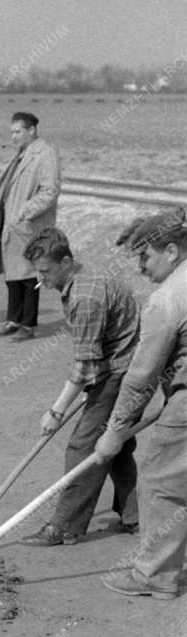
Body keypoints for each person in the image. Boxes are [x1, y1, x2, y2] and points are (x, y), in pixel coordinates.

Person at [18, 227, 140, 547]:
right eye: (37, 271)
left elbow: (85, 366)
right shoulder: (82, 277)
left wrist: (55, 411)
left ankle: (65, 526)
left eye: (45, 271)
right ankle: (136, 514)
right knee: (118, 442)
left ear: (66, 261)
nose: (40, 280)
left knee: (83, 446)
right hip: (115, 365)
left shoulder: (85, 297)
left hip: (119, 372)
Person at [94, 210, 187, 599]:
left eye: (145, 257)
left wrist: (113, 433)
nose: (141, 268)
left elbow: (140, 377)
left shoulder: (166, 299)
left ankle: (156, 576)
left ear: (170, 250)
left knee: (159, 484)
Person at [0, 111, 61, 341]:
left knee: (30, 276)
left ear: (32, 130)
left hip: (29, 226)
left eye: (18, 131)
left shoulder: (45, 154)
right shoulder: (21, 154)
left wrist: (24, 211)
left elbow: (50, 191)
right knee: (14, 275)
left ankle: (28, 325)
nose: (13, 137)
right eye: (12, 132)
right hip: (13, 226)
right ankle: (13, 320)